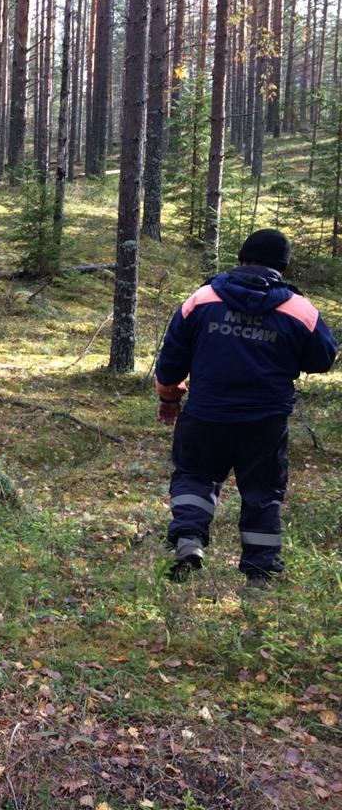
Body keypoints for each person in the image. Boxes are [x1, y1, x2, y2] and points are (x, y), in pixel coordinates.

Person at [155, 229, 337, 584]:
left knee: (195, 476)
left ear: (241, 259)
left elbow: (171, 360)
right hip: (265, 422)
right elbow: (323, 358)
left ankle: (189, 539)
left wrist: (168, 398)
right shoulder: (299, 309)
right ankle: (260, 573)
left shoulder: (202, 299)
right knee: (262, 492)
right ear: (283, 267)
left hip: (206, 413)